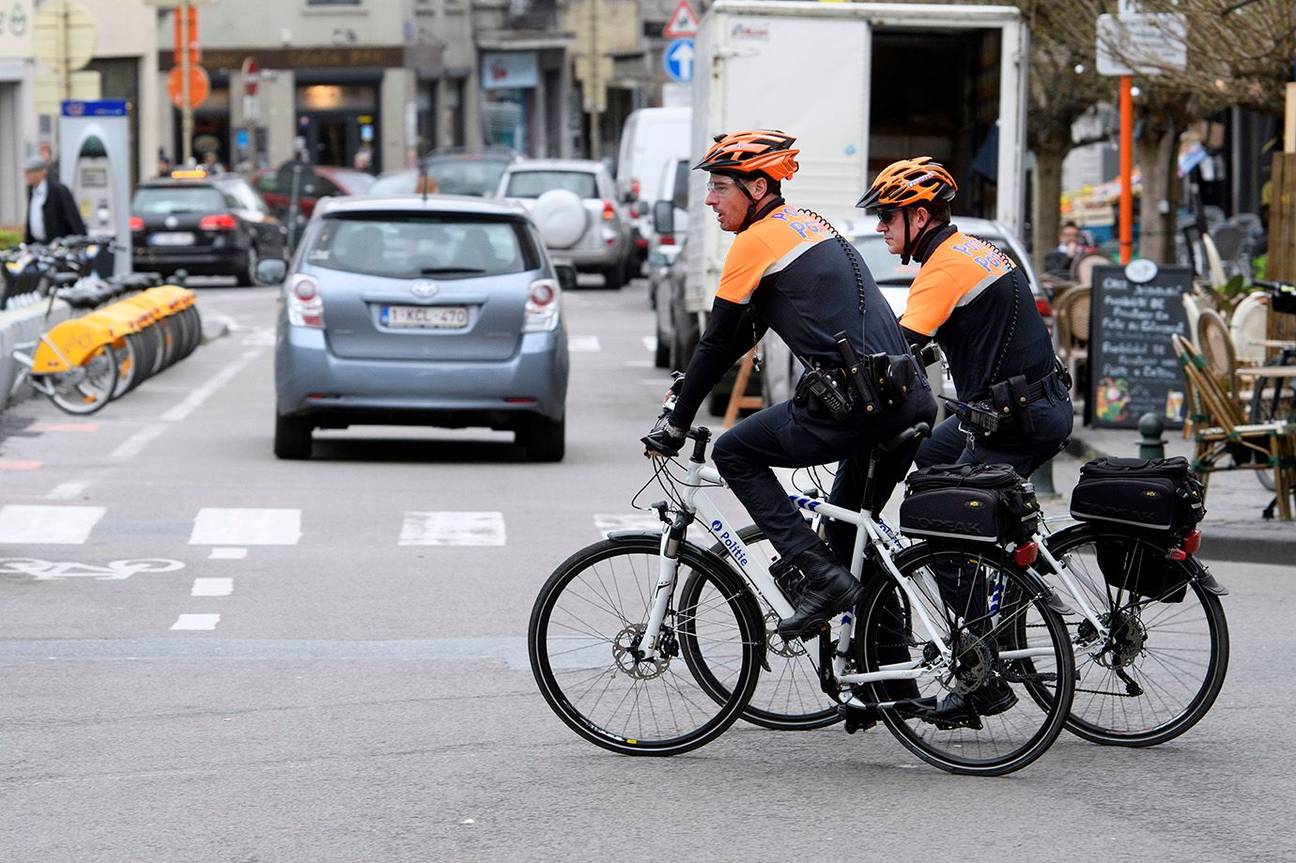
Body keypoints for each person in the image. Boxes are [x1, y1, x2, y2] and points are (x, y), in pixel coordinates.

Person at [642, 129, 937, 642]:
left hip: (859, 406)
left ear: (757, 188)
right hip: (904, 398)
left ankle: (818, 578)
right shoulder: (805, 226)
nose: (709, 199)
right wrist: (687, 391)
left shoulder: (755, 242)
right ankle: (889, 688)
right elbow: (740, 334)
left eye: (719, 187)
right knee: (849, 540)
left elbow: (714, 342)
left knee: (735, 453)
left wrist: (675, 424)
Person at [857, 156, 1073, 725]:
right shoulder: (972, 248)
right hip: (1016, 409)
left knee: (939, 520)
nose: (881, 228)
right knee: (929, 461)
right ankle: (1003, 569)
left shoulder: (943, 268)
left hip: (1014, 420)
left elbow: (899, 349)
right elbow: (942, 340)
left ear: (919, 216)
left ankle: (982, 670)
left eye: (887, 217)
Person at [23, 156, 86, 246]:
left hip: (58, 246)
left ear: (41, 172)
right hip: (37, 245)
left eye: (29, 172)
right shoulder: (31, 190)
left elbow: (73, 217)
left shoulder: (58, 190)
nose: (26, 175)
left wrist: (81, 241)